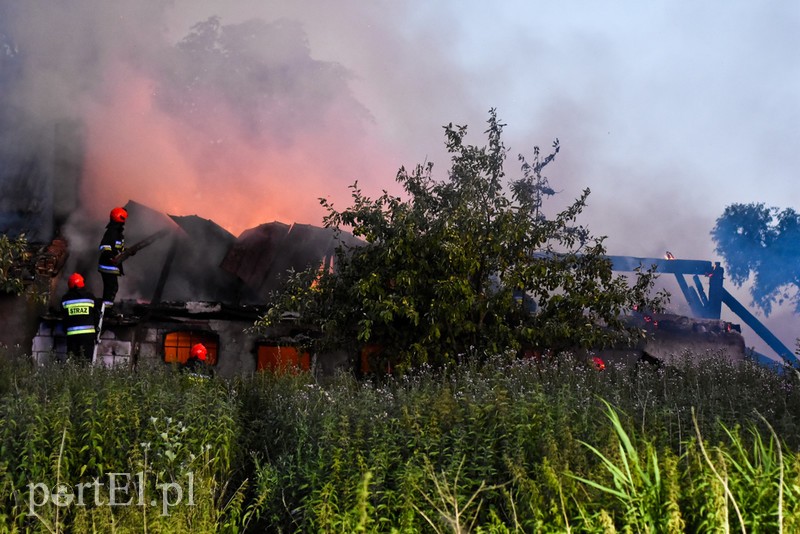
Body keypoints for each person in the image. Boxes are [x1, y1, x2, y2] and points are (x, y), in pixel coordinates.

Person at [60, 272, 99, 363]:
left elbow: (63, 317)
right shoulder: (90, 297)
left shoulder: (66, 299)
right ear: (82, 284)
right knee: (86, 361)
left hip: (72, 336)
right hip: (88, 336)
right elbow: (97, 314)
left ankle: (72, 377)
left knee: (72, 362)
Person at [97, 206, 127, 311]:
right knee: (111, 288)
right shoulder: (112, 232)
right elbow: (104, 247)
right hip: (108, 266)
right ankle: (106, 310)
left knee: (112, 288)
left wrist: (127, 252)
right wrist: (111, 257)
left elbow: (118, 249)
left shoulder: (116, 232)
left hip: (110, 266)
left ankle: (105, 309)